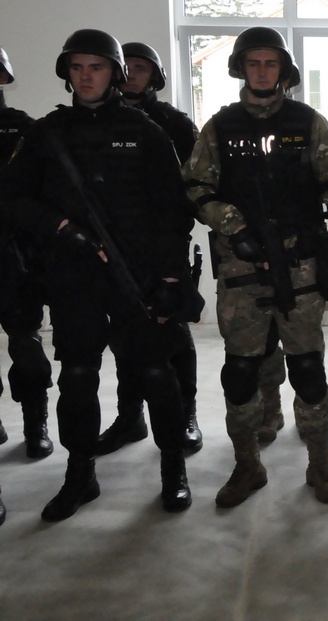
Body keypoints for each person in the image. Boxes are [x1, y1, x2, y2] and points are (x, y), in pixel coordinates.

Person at [0, 29, 194, 520]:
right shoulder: (46, 134)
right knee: (78, 377)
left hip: (138, 274)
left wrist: (171, 279)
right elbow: (12, 198)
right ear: (67, 73)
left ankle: (173, 467)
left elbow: (173, 211)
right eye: (78, 68)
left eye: (97, 67)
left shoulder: (146, 131)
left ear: (115, 74)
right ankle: (80, 474)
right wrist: (60, 228)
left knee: (157, 373)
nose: (87, 77)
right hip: (74, 277)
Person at [182, 26, 328, 507]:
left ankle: (320, 465)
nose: (262, 72)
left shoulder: (310, 123)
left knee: (307, 368)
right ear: (241, 69)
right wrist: (235, 228)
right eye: (254, 63)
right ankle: (248, 466)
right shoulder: (220, 127)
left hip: (301, 265)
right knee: (241, 372)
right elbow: (196, 187)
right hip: (242, 267)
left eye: (271, 63)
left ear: (284, 70)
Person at [94, 41, 204, 456]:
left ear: (155, 75)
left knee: (173, 332)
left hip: (162, 243)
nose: (133, 75)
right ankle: (130, 417)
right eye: (128, 67)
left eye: (142, 68)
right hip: (114, 246)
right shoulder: (102, 120)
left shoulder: (173, 123)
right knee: (125, 335)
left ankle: (186, 414)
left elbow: (197, 183)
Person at [0, 45, 54, 460]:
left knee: (27, 349)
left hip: (16, 257)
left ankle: (35, 422)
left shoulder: (24, 130)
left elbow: (47, 193)